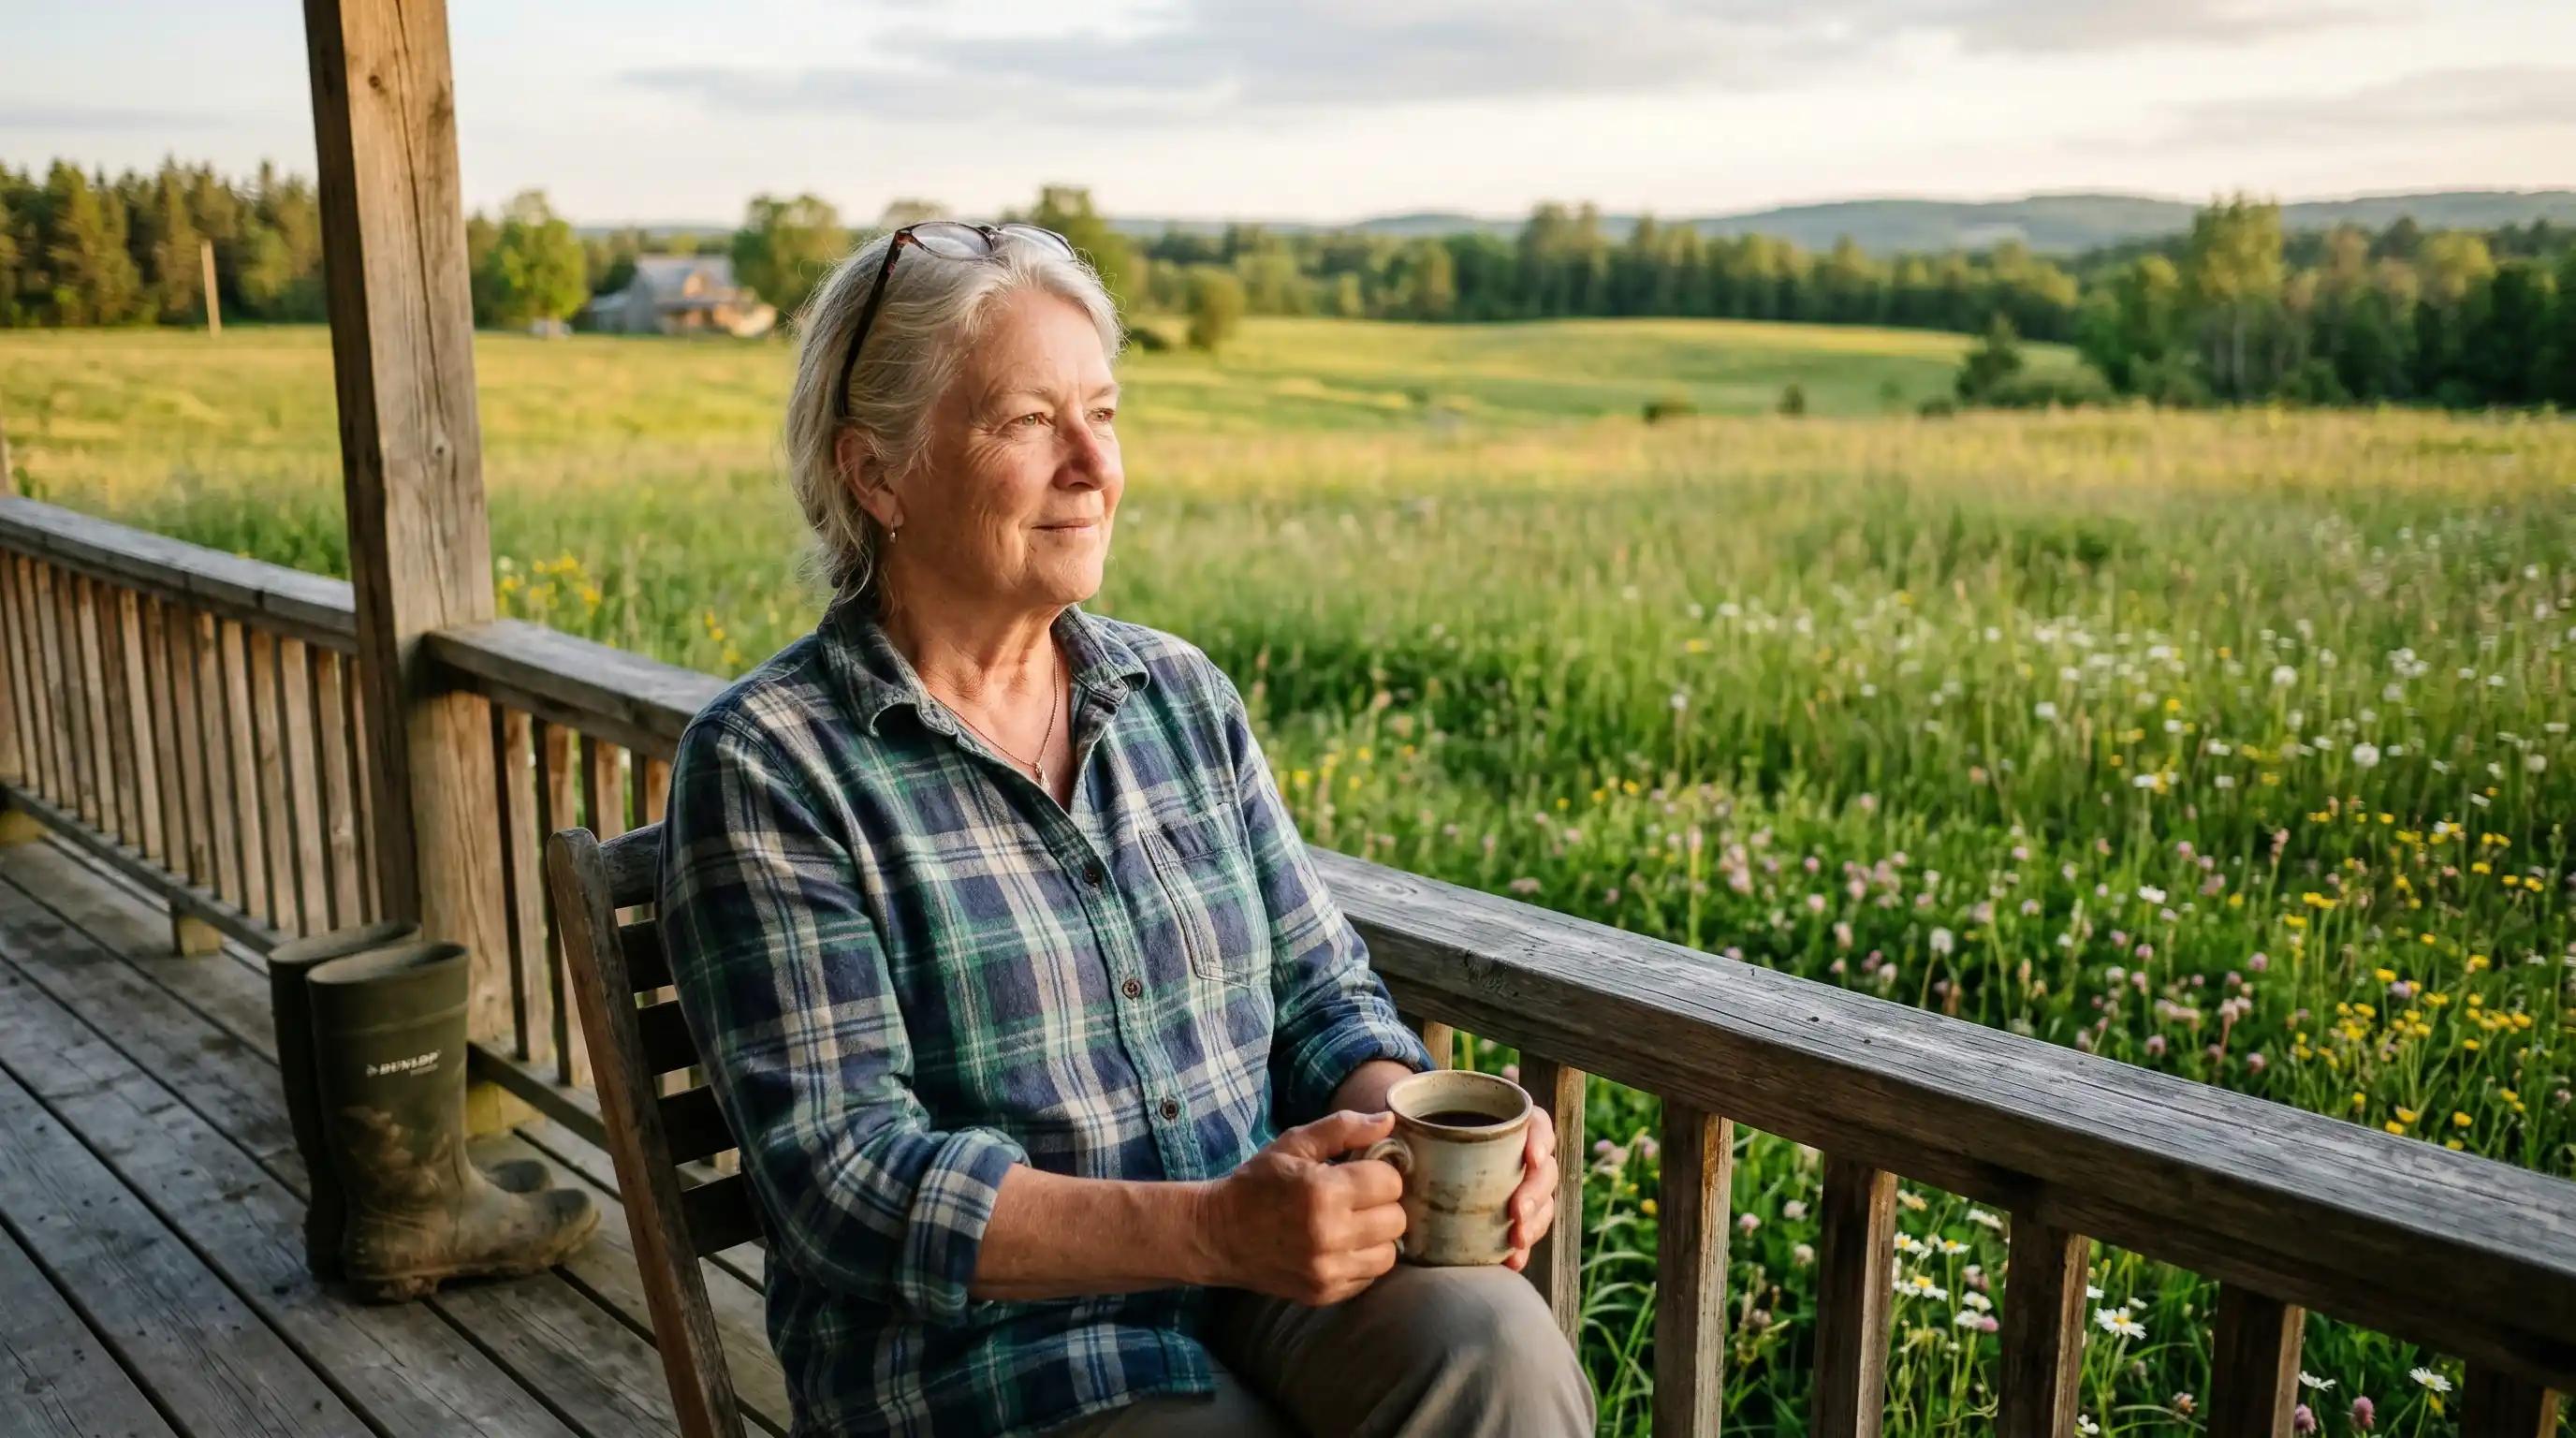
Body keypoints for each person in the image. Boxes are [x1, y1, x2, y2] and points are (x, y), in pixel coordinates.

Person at [656, 221, 1596, 1438]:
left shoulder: (1178, 698)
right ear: (877, 474)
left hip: (1253, 1281)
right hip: (992, 1358)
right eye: (1027, 421)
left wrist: (1424, 1127)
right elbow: (849, 1182)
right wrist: (1213, 1227)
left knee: (1493, 1343)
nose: (1093, 464)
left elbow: (1321, 1000)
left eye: (1102, 411)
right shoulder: (773, 764)